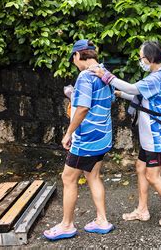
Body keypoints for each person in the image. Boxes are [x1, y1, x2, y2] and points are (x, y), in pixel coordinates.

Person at [91, 40, 161, 227]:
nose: (139, 60)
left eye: (141, 57)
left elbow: (134, 89)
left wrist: (106, 76)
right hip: (150, 137)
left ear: (150, 58)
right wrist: (119, 94)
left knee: (153, 176)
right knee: (140, 168)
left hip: (158, 137)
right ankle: (142, 210)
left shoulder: (157, 78)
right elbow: (140, 96)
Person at [44, 40, 115, 241]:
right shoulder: (104, 72)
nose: (74, 63)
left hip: (87, 140)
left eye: (73, 59)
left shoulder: (85, 76)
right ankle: (102, 220)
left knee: (68, 178)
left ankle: (66, 225)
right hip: (103, 137)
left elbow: (83, 108)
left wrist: (68, 133)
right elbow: (109, 100)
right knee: (93, 176)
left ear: (77, 56)